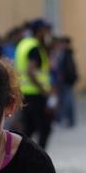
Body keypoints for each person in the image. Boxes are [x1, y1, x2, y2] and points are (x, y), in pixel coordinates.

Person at [15, 19, 54, 149]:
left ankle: (22, 157)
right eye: (46, 30)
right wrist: (44, 90)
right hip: (36, 94)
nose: (48, 33)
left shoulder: (23, 44)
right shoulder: (35, 47)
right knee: (45, 128)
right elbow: (31, 71)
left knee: (29, 129)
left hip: (24, 93)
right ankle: (40, 158)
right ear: (40, 31)